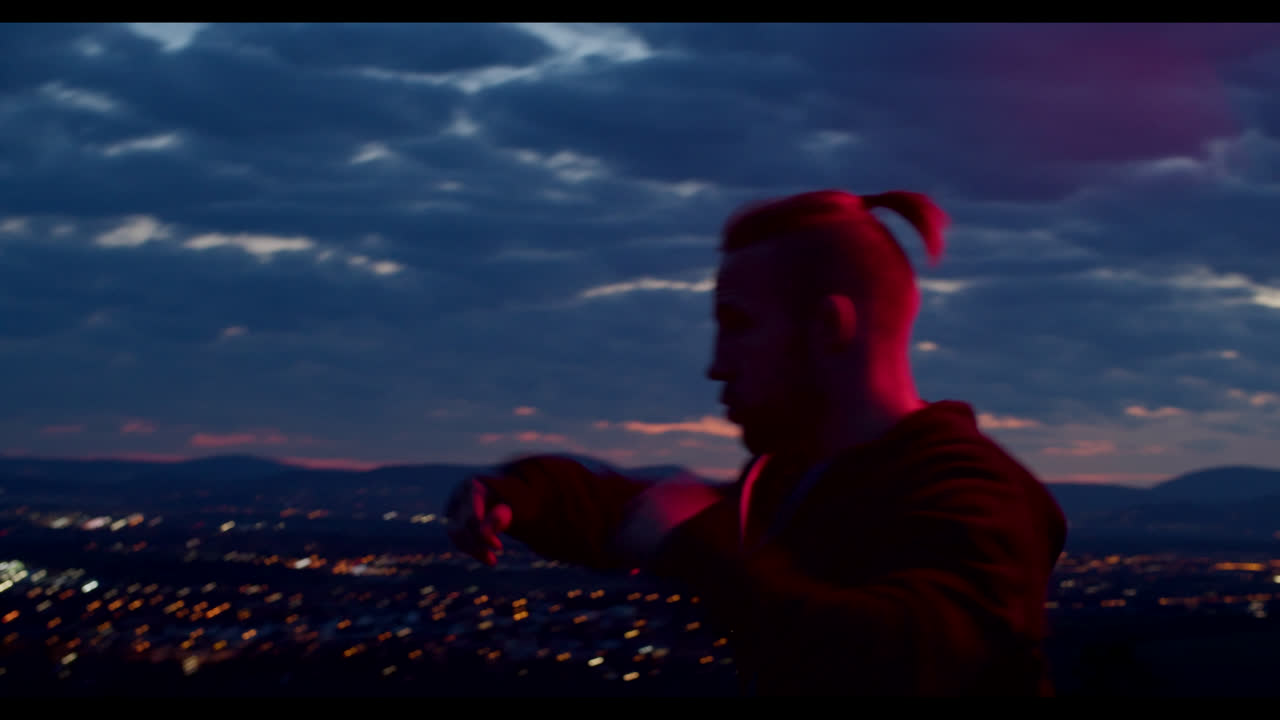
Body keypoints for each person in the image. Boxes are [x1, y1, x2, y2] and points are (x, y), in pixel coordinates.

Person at [445, 189, 1068, 696]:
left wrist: (707, 548)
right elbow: (639, 511)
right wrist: (521, 495)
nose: (717, 365)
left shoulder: (975, 497)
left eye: (738, 326)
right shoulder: (795, 482)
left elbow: (905, 659)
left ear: (829, 328)